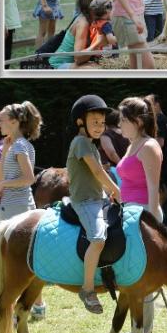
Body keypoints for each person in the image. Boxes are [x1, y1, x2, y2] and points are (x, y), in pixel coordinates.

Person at [116, 96, 163, 333]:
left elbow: (153, 188)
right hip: (128, 215)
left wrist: (152, 222)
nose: (119, 125)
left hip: (144, 216)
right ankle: (138, 330)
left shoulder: (148, 146)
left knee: (142, 280)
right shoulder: (132, 144)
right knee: (130, 277)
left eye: (123, 120)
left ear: (137, 121)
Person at [67, 95, 120, 314]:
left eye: (102, 123)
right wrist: (115, 190)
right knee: (98, 238)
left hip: (97, 199)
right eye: (94, 122)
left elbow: (98, 173)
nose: (99, 127)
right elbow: (97, 172)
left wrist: (108, 193)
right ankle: (87, 288)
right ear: (81, 122)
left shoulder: (90, 144)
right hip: (85, 202)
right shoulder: (80, 142)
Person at [0, 101, 46, 318]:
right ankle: (39, 307)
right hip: (15, 206)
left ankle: (18, 309)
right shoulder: (16, 144)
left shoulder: (20, 146)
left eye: (2, 119)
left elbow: (29, 178)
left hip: (17, 209)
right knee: (28, 260)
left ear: (15, 122)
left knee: (17, 263)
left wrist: (3, 185)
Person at [49, 0, 100, 68]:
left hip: (73, 64)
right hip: (58, 65)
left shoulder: (94, 20)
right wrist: (98, 44)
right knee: (94, 69)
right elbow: (78, 58)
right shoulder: (83, 23)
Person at [148, 93, 167, 228]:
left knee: (157, 192)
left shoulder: (157, 119)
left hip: (159, 162)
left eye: (149, 103)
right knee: (162, 190)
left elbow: (160, 142)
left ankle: (163, 222)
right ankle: (162, 220)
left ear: (156, 104)